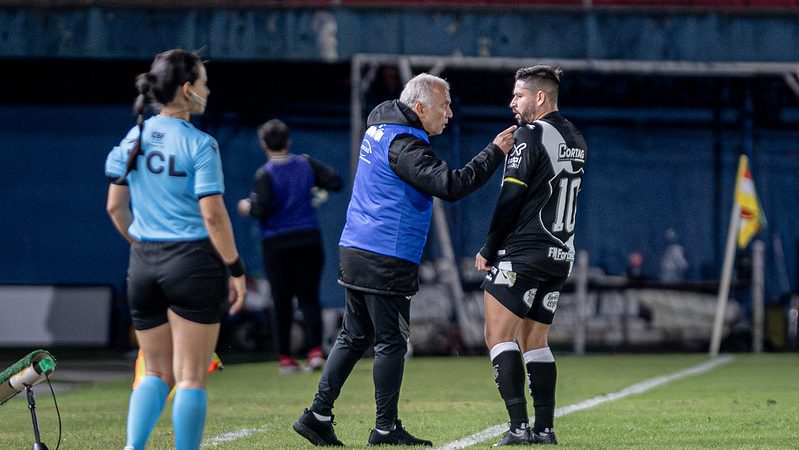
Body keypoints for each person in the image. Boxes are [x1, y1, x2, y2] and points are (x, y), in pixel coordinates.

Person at [293, 73, 517, 447]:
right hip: (385, 254)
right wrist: (494, 151)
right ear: (419, 107)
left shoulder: (379, 129)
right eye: (444, 105)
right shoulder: (406, 145)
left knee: (353, 335)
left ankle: (317, 415)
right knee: (391, 341)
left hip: (356, 246)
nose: (449, 113)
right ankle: (385, 428)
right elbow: (452, 185)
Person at [104, 49, 247, 450]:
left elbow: (115, 206)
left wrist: (141, 242)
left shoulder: (134, 136)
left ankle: (134, 447)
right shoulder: (201, 144)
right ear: (187, 90)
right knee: (190, 376)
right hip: (192, 264)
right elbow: (214, 218)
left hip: (144, 264)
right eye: (203, 82)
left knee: (155, 372)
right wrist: (236, 268)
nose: (208, 89)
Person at [475, 66, 587, 446]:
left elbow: (512, 194)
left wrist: (489, 246)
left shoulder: (530, 135)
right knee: (536, 342)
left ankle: (519, 427)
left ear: (540, 98)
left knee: (498, 335)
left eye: (518, 95)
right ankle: (545, 429)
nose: (512, 103)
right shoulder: (575, 137)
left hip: (523, 251)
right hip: (560, 253)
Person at [237, 119, 343, 373]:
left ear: (264, 144)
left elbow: (260, 207)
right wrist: (312, 188)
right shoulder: (305, 163)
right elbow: (335, 181)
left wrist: (245, 206)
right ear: (288, 141)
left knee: (281, 298)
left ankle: (285, 357)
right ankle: (315, 352)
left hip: (277, 243)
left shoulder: (265, 173)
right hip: (308, 239)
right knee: (308, 296)